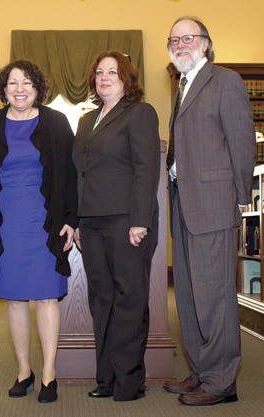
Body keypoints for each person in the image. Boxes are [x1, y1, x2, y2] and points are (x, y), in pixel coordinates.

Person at [163, 17, 256, 406]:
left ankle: (222, 381)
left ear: (205, 44)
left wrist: (239, 198)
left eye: (188, 37)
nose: (180, 43)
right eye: (174, 39)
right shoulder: (182, 86)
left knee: (215, 296)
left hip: (214, 206)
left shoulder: (226, 81)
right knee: (187, 294)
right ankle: (201, 371)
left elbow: (242, 143)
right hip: (183, 204)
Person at [0, 60, 77, 403]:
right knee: (15, 298)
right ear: (3, 89)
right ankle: (24, 371)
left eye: (27, 83)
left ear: (38, 89)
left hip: (45, 222)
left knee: (47, 296)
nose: (20, 89)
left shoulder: (56, 123)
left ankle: (49, 374)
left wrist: (71, 219)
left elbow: (71, 174)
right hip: (6, 223)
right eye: (13, 83)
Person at [73, 50, 160, 401]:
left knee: (130, 299)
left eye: (112, 71)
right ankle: (105, 379)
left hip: (127, 221)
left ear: (126, 78)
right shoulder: (85, 120)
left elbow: (146, 169)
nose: (104, 77)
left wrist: (140, 220)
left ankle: (129, 382)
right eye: (99, 72)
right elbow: (80, 174)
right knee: (101, 299)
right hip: (90, 223)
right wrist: (77, 221)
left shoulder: (139, 113)